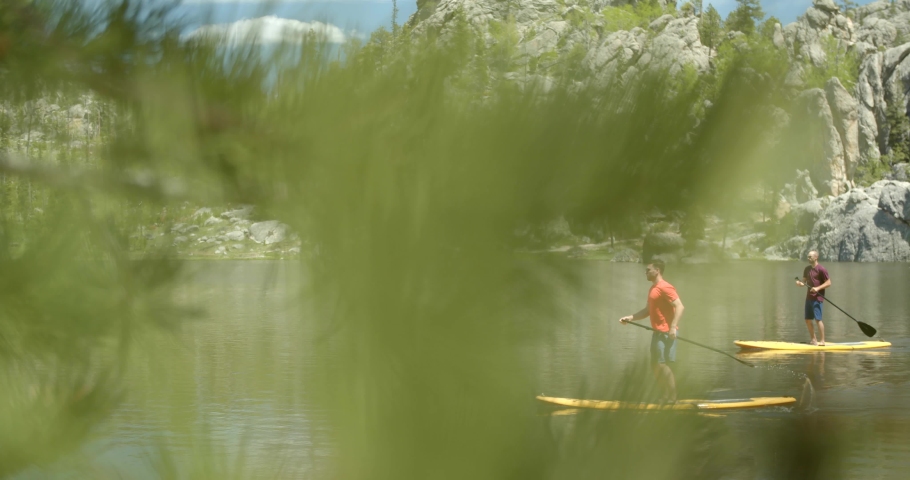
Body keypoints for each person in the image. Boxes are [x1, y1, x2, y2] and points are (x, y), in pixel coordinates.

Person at [619, 258, 685, 403]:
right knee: (655, 366)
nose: (645, 272)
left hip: (667, 333)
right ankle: (666, 397)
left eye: (648, 270)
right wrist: (630, 317)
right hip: (657, 332)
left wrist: (673, 327)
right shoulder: (653, 288)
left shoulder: (665, 287)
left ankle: (673, 399)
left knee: (662, 364)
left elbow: (680, 306)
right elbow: (647, 310)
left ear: (657, 271)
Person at [795, 250, 831, 346]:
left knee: (818, 319)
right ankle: (813, 340)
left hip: (818, 298)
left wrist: (817, 288)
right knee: (807, 319)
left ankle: (822, 341)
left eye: (810, 257)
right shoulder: (807, 269)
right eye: (808, 256)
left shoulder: (821, 269)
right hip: (809, 298)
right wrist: (800, 284)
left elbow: (828, 283)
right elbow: (804, 282)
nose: (808, 258)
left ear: (816, 257)